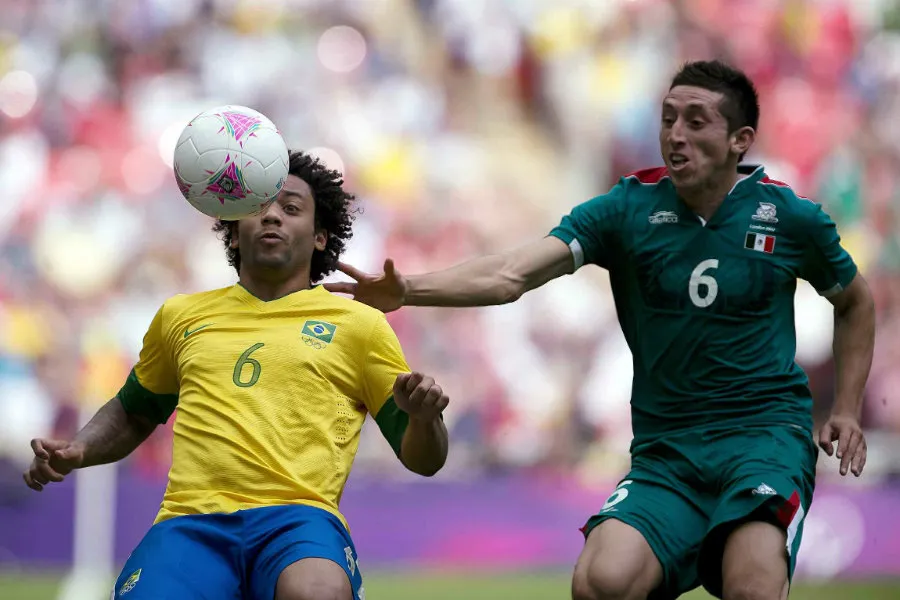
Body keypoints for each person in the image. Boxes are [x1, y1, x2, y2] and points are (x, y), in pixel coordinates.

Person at [325, 60, 876, 600]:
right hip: (668, 454)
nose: (675, 135)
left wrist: (847, 408)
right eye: (667, 119)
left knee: (752, 583)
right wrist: (407, 290)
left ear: (740, 139)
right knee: (600, 581)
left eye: (696, 121)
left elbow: (854, 302)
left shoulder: (789, 217)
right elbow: (510, 274)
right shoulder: (626, 210)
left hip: (763, 440)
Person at [23, 151, 451, 600]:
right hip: (190, 524)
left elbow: (425, 460)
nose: (271, 216)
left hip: (298, 522)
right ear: (233, 228)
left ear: (321, 236)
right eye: (258, 206)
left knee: (316, 593)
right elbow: (134, 412)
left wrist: (423, 418)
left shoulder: (360, 326)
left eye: (290, 208)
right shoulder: (180, 316)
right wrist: (81, 447)